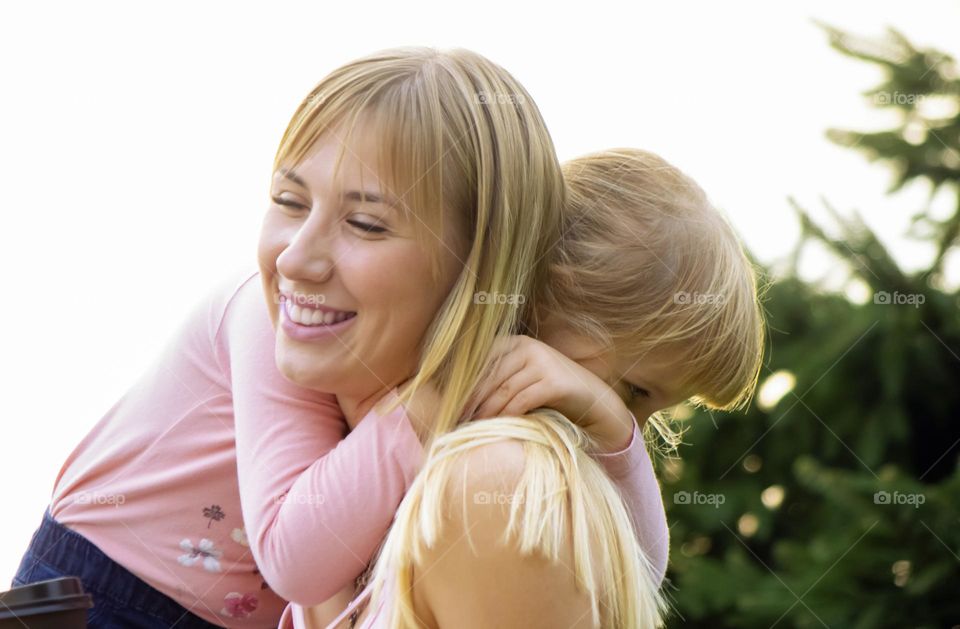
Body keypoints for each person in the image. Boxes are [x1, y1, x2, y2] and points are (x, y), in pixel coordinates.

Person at [11, 49, 666, 628]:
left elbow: (634, 568)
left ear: (476, 265)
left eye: (364, 222)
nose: (296, 258)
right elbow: (296, 558)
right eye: (289, 201)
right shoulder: (270, 323)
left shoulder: (438, 379)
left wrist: (609, 425)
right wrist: (430, 404)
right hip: (102, 592)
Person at [290, 148, 766, 628]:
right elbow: (307, 564)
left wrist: (616, 431)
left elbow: (642, 568)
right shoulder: (411, 383)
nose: (631, 422)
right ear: (554, 293)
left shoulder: (544, 459)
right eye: (635, 393)